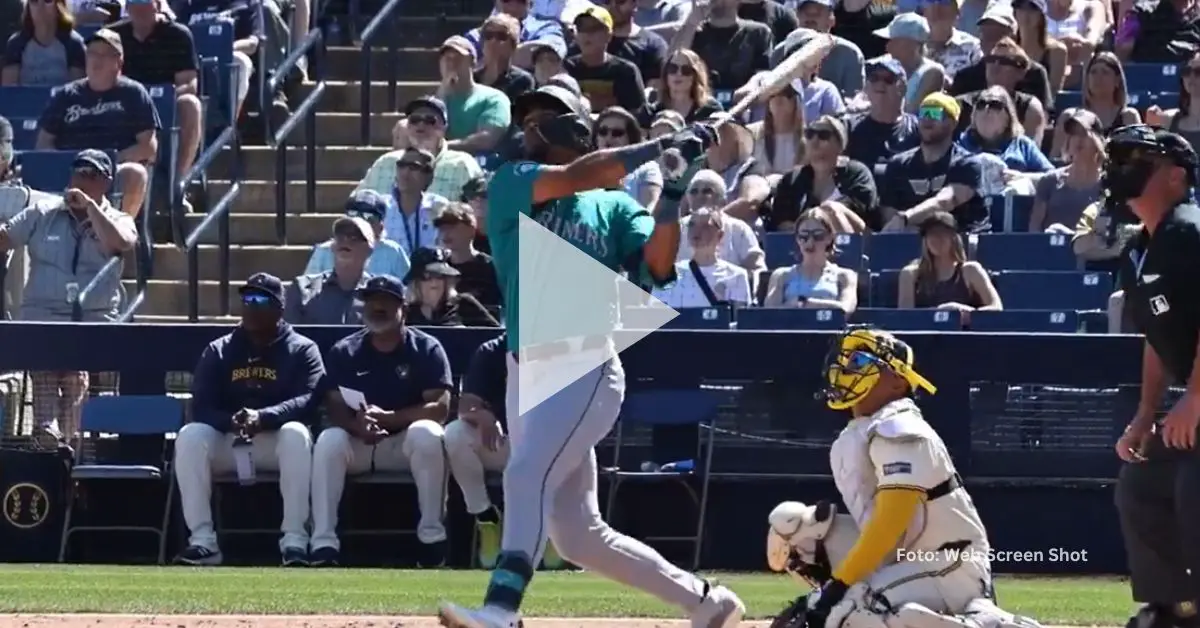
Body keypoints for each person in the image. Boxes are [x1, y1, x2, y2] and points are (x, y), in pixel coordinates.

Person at [437, 84, 744, 627]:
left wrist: (673, 192)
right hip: (525, 366)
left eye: (542, 118)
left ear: (573, 125)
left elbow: (659, 264)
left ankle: (501, 609)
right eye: (527, 119)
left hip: (585, 363)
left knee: (525, 473)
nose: (529, 128)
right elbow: (583, 174)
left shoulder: (615, 207)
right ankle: (707, 601)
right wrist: (660, 146)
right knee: (579, 535)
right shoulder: (514, 182)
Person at [764, 328, 1041, 628]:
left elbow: (889, 524)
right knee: (795, 529)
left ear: (897, 382)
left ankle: (987, 623)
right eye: (845, 359)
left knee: (850, 612)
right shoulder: (865, 429)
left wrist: (839, 586)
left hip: (949, 564)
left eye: (858, 360)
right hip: (905, 559)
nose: (845, 368)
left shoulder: (900, 427)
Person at [1110, 125, 1200, 628]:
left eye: (1140, 158)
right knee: (1141, 479)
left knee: (1194, 483)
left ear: (1176, 176)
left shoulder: (1192, 229)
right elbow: (1155, 337)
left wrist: (1195, 398)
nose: (1125, 165)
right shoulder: (1138, 250)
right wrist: (1146, 415)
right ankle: (1177, 609)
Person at [173, 272, 324, 567]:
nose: (251, 306)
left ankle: (294, 541)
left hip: (274, 439)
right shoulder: (220, 349)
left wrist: (266, 417)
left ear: (280, 307)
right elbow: (201, 406)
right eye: (247, 299)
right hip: (230, 438)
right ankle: (203, 542)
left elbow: (308, 399)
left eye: (260, 299)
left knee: (296, 434)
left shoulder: (302, 349)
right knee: (190, 436)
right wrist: (232, 421)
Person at [311, 275, 452, 568]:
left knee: (428, 433)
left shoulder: (426, 348)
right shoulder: (346, 350)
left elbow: (440, 407)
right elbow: (334, 405)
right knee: (329, 440)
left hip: (403, 444)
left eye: (386, 302)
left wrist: (391, 418)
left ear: (403, 308)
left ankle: (432, 540)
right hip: (361, 440)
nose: (377, 307)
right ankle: (323, 542)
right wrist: (356, 425)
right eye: (371, 301)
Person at [0, 149, 135, 443]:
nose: (81, 181)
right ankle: (49, 433)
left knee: (75, 367)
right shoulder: (43, 213)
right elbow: (5, 238)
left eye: (90, 176)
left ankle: (69, 439)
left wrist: (91, 209)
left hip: (93, 321)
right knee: (47, 359)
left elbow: (121, 242)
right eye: (78, 173)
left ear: (107, 183)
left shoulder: (118, 219)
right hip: (42, 317)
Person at [36, 28, 156, 217]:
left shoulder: (134, 93)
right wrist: (68, 165)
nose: (96, 60)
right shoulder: (66, 95)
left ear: (119, 62)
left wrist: (102, 165)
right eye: (92, 53)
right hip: (68, 171)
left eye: (105, 55)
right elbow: (43, 143)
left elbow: (148, 147)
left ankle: (119, 237)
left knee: (136, 173)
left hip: (112, 172)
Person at [110, 0, 203, 194]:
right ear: (127, 8)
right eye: (135, 3)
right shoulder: (113, 37)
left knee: (190, 104)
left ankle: (177, 184)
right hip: (123, 107)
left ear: (158, 6)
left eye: (147, 2)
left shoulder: (178, 35)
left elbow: (189, 83)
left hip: (166, 105)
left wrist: (156, 100)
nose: (141, 8)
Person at [443, 332, 510, 569]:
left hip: (543, 446)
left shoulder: (560, 351)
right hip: (501, 444)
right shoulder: (491, 351)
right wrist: (482, 415)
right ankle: (486, 517)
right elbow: (465, 406)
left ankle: (554, 529)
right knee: (455, 433)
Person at [879, 93, 988, 234]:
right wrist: (901, 226)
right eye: (923, 113)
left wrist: (906, 218)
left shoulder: (967, 163)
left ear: (952, 123)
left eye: (935, 113)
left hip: (961, 242)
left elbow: (945, 201)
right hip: (912, 241)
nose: (927, 119)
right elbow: (889, 215)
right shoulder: (898, 165)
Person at [766, 116, 877, 233]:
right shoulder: (792, 179)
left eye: (823, 135)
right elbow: (781, 222)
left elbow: (862, 215)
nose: (814, 141)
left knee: (832, 208)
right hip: (802, 246)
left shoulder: (856, 173)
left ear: (840, 145)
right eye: (809, 134)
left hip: (849, 243)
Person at [898, 212, 1002, 321]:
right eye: (931, 234)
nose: (937, 238)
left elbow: (996, 308)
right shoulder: (910, 274)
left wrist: (961, 310)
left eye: (943, 233)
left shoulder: (971, 270)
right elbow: (905, 318)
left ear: (954, 238)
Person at [650, 207, 752, 308]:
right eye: (692, 225)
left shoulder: (736, 276)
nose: (696, 231)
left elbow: (740, 320)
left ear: (720, 235)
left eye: (705, 226)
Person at [762, 208, 859, 312]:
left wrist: (803, 302)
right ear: (797, 239)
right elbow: (770, 313)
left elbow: (845, 309)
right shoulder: (781, 275)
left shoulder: (845, 276)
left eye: (818, 236)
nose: (810, 243)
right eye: (804, 236)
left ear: (829, 238)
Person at [304, 190, 410, 281]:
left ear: (381, 227)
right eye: (353, 215)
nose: (360, 223)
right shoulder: (325, 251)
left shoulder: (393, 252)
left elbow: (410, 290)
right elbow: (307, 292)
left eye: (369, 218)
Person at [843, 56, 919, 177]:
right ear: (866, 87)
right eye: (874, 78)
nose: (880, 84)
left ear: (903, 88)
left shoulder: (918, 129)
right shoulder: (849, 128)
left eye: (888, 79)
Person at [1032, 109, 1103, 234]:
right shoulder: (1049, 181)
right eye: (1074, 134)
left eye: (1084, 133)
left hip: (1090, 252)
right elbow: (1034, 231)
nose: (1078, 139)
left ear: (1097, 140)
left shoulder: (1108, 184)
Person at [564, 6, 646, 113]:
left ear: (609, 35)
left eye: (594, 28)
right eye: (582, 29)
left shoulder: (626, 71)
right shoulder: (566, 69)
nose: (587, 34)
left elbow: (638, 113)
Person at [955, 85, 1052, 176]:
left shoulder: (1022, 145)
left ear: (1008, 118)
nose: (986, 109)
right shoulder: (960, 143)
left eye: (995, 105)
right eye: (981, 104)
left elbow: (1051, 176)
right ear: (974, 116)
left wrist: (1022, 177)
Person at [403, 247, 499, 327]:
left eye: (440, 275)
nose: (434, 281)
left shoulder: (465, 303)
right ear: (415, 282)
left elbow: (494, 334)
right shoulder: (406, 313)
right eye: (427, 276)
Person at [1, 0, 85, 86]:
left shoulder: (74, 44)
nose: (40, 7)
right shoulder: (16, 44)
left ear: (59, 5)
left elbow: (76, 93)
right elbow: (9, 92)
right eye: (34, 1)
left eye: (47, 1)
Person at [593, 106, 663, 210]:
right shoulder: (585, 167)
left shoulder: (647, 168)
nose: (608, 138)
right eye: (603, 132)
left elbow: (647, 211)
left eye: (617, 133)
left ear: (631, 137)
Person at [434, 202, 502, 309]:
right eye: (442, 228)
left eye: (452, 227)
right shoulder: (438, 268)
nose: (446, 233)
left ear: (471, 229)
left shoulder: (492, 268)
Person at [640, 49, 723, 126]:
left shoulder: (710, 110)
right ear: (666, 74)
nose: (678, 74)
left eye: (686, 70)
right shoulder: (653, 112)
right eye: (673, 68)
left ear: (695, 76)